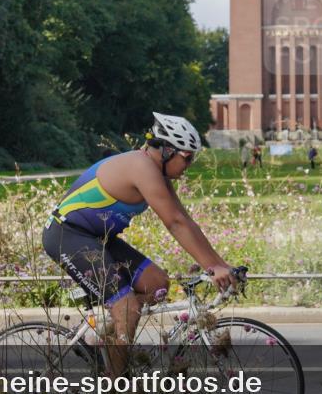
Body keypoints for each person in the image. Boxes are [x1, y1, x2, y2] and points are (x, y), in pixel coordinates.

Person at [42, 112, 237, 375]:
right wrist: (213, 269)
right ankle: (116, 388)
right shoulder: (141, 167)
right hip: (67, 235)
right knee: (127, 307)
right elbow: (174, 223)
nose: (190, 164)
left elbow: (185, 221)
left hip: (98, 238)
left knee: (156, 284)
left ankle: (101, 336)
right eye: (188, 157)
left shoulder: (157, 172)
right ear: (168, 151)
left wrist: (222, 266)